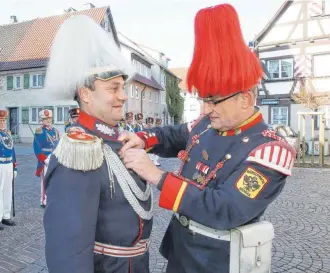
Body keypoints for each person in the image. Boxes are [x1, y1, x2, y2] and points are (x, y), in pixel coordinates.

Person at [118, 4, 296, 273]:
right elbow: (173, 135)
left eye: (213, 101)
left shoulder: (269, 151)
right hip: (181, 251)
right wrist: (142, 138)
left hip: (217, 262)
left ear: (245, 99)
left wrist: (156, 175)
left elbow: (225, 209)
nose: (205, 109)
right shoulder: (206, 124)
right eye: (203, 100)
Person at [42, 15, 153, 272]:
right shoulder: (79, 150)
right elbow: (68, 249)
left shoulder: (115, 139)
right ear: (85, 94)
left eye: (122, 87)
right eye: (114, 88)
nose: (123, 96)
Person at [33, 109, 60, 208]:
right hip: (46, 158)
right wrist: (44, 159)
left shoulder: (55, 131)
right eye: (45, 119)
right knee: (45, 180)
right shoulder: (40, 132)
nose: (48, 121)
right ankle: (44, 200)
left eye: (49, 118)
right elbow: (37, 148)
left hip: (55, 157)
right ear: (41, 120)